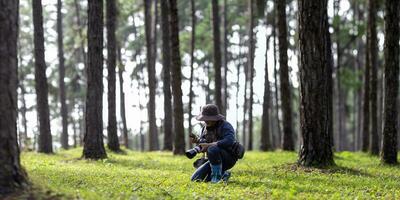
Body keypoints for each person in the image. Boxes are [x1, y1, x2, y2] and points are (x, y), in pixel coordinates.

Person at [190, 104, 238, 183]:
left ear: (215, 118)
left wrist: (210, 145)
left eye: (208, 119)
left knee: (212, 148)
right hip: (212, 159)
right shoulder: (204, 129)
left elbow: (230, 140)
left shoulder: (225, 126)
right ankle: (224, 174)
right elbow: (204, 143)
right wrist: (198, 142)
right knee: (195, 179)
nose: (206, 121)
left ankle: (216, 178)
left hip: (228, 158)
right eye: (204, 118)